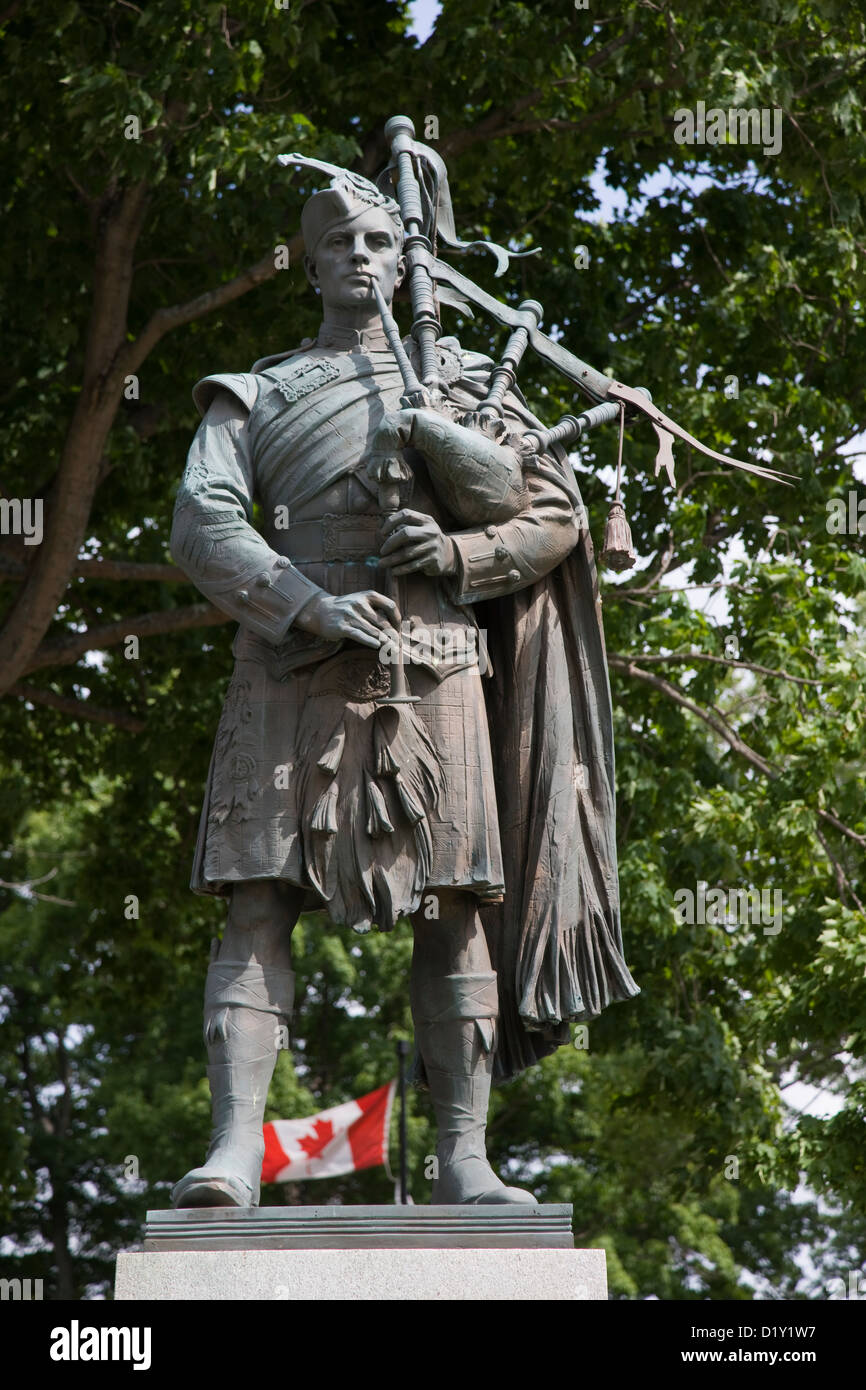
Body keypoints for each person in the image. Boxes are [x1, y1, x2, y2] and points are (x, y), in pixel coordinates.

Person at [169, 164, 638, 1209]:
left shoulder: (471, 387)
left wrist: (459, 558)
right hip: (285, 665)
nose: (361, 260)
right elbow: (202, 523)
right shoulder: (255, 393)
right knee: (255, 899)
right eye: (338, 245)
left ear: (404, 259)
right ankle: (234, 1152)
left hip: (436, 667)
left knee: (456, 904)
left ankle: (465, 1155)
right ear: (312, 263)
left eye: (378, 244)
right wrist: (303, 599)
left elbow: (550, 515)